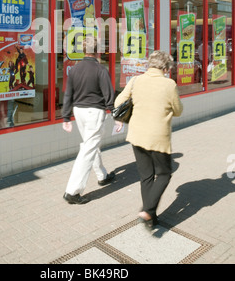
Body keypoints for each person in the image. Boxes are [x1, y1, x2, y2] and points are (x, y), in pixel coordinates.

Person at [114, 50, 183, 228]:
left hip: (137, 135)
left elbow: (118, 102)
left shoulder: (136, 81)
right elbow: (178, 110)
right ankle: (147, 210)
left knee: (146, 176)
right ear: (165, 67)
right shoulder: (169, 84)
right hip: (157, 138)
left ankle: (151, 217)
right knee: (164, 174)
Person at [62, 35, 116, 205]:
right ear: (98, 50)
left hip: (79, 112)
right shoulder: (100, 70)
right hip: (94, 112)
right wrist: (116, 114)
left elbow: (68, 94)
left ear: (83, 50)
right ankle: (73, 191)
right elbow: (109, 95)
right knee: (88, 148)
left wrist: (65, 116)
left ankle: (102, 175)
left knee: (90, 143)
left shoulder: (75, 69)